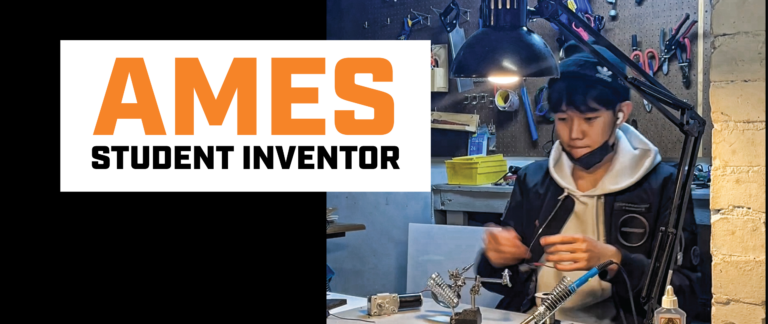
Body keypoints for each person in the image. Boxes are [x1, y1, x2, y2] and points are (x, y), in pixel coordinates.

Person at [475, 42, 701, 324]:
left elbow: (687, 294)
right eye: (562, 119)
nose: (575, 133)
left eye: (590, 119)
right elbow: (499, 283)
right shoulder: (534, 180)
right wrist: (495, 259)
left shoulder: (665, 184)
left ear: (621, 113)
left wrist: (616, 261)